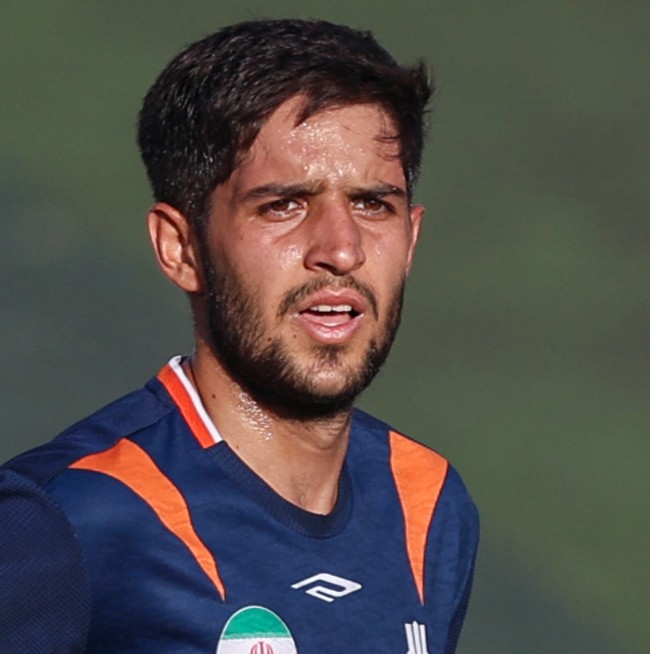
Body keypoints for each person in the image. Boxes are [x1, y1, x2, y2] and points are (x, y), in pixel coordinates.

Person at [0, 18, 478, 653]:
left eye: (372, 204)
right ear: (182, 248)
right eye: (283, 205)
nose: (342, 249)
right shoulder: (64, 515)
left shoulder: (429, 502)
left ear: (411, 239)